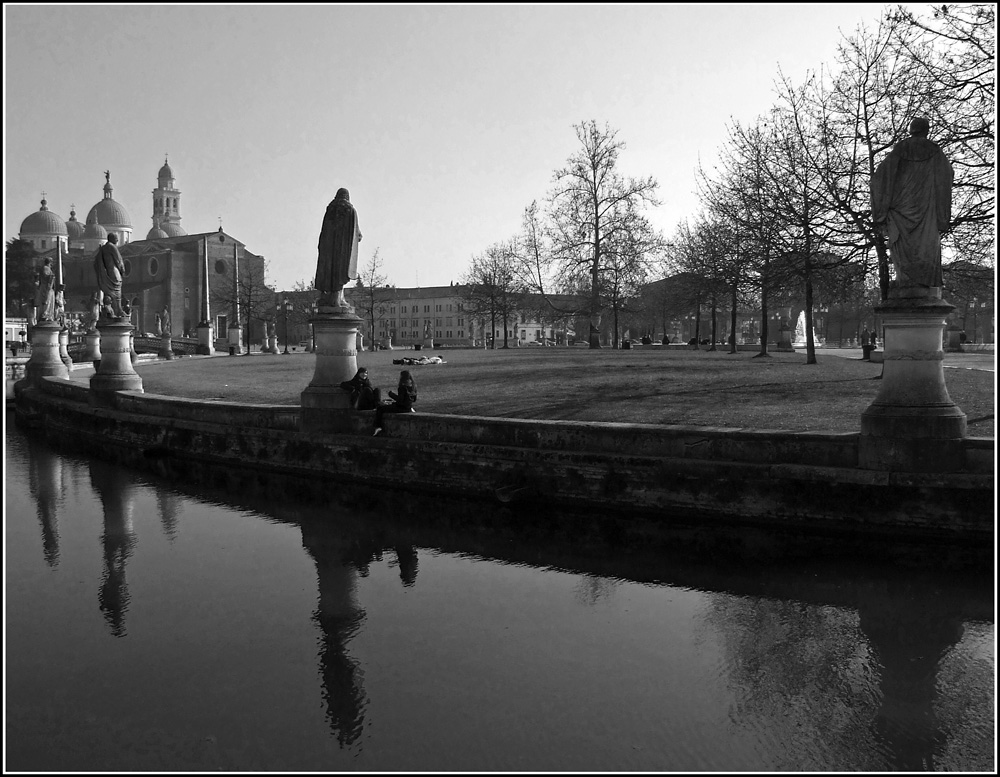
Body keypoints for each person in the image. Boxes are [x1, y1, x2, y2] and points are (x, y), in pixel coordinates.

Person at [870, 117, 953, 293]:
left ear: (911, 130)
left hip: (901, 209)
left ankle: (905, 280)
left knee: (901, 245)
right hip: (926, 210)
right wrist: (942, 214)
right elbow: (946, 177)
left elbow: (879, 179)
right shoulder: (935, 152)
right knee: (926, 245)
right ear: (926, 130)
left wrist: (881, 210)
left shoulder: (900, 150)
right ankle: (921, 282)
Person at [315, 188, 362, 307]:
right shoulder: (350, 210)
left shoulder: (330, 210)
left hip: (328, 251)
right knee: (339, 273)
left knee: (327, 272)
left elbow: (324, 231)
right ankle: (337, 299)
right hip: (342, 250)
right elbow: (356, 233)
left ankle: (326, 297)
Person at [373, 370, 416, 436]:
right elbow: (414, 399)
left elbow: (400, 400)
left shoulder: (402, 387)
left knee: (380, 409)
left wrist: (391, 394)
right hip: (408, 407)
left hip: (401, 408)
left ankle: (378, 426)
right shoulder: (413, 386)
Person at [93, 232, 126, 319]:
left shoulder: (103, 248)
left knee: (109, 292)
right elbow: (118, 260)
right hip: (114, 272)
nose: (118, 240)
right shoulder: (112, 247)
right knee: (117, 291)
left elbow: (96, 262)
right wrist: (122, 270)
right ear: (112, 239)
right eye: (116, 238)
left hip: (107, 273)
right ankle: (118, 310)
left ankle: (111, 309)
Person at [34, 258, 56, 323]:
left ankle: (48, 315)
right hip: (46, 287)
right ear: (49, 262)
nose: (51, 264)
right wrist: (52, 276)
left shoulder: (47, 268)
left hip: (48, 287)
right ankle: (45, 314)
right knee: (47, 301)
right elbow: (45, 276)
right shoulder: (45, 268)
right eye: (51, 263)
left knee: (49, 302)